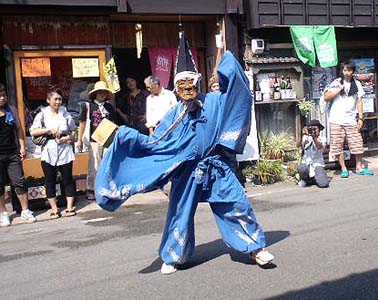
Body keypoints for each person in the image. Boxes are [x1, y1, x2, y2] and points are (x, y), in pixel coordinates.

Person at [94, 50, 275, 275]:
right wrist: (123, 135)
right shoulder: (173, 116)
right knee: (179, 213)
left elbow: (238, 93)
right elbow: (156, 143)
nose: (188, 90)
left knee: (236, 203)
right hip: (186, 171)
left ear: (198, 84)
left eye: (191, 85)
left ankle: (255, 248)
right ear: (177, 89)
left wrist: (226, 63)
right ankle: (173, 256)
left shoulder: (215, 102)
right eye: (183, 86)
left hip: (215, 166)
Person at [30, 87, 77, 218]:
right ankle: (54, 209)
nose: (58, 102)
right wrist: (48, 130)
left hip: (64, 150)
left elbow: (74, 131)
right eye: (55, 99)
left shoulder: (66, 114)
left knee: (68, 179)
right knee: (50, 180)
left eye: (60, 99)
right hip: (48, 150)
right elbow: (33, 132)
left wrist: (67, 138)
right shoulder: (42, 114)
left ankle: (69, 207)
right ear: (48, 100)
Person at [323, 59, 374, 178]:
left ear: (353, 71)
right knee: (337, 144)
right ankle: (343, 168)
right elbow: (326, 97)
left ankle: (359, 167)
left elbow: (360, 101)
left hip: (351, 119)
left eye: (349, 70)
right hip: (336, 119)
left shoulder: (357, 84)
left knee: (357, 143)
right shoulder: (336, 82)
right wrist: (339, 90)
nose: (346, 72)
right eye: (344, 70)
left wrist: (361, 118)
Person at [0, 83, 37, 226]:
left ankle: (25, 210)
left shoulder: (12, 110)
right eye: (0, 96)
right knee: (0, 185)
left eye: (4, 95)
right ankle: (3, 213)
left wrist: (22, 147)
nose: (2, 98)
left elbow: (19, 130)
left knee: (19, 181)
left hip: (12, 152)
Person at [76, 81, 116, 200]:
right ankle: (91, 189)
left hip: (108, 139)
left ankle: (106, 187)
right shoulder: (88, 106)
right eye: (100, 92)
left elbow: (113, 123)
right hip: (94, 139)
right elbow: (82, 123)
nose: (102, 94)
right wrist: (79, 139)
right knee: (94, 165)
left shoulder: (109, 107)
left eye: (104, 92)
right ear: (95, 93)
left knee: (107, 164)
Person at [296, 119, 329, 188]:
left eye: (315, 128)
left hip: (318, 164)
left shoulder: (323, 138)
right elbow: (298, 145)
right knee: (302, 168)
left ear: (319, 129)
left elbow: (320, 147)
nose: (313, 130)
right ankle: (305, 178)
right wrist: (302, 134)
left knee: (324, 184)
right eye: (311, 128)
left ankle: (312, 179)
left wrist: (314, 137)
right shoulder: (305, 137)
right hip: (306, 163)